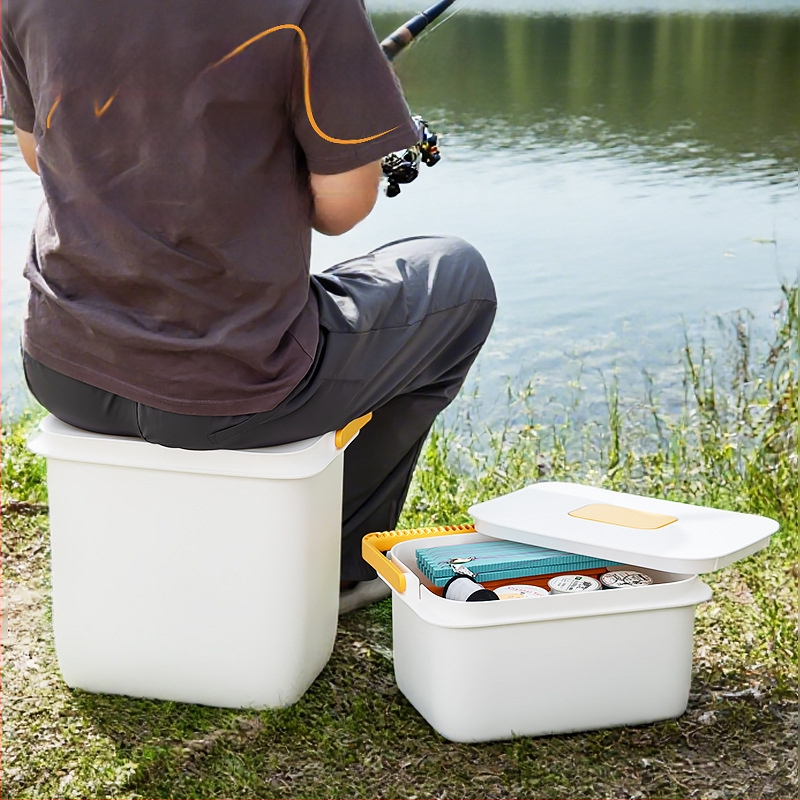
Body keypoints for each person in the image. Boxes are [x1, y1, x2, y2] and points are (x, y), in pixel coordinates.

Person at [1, 0, 496, 614]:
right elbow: (341, 209)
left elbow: (37, 150)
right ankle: (343, 565)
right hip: (238, 386)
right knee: (458, 278)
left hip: (65, 368)